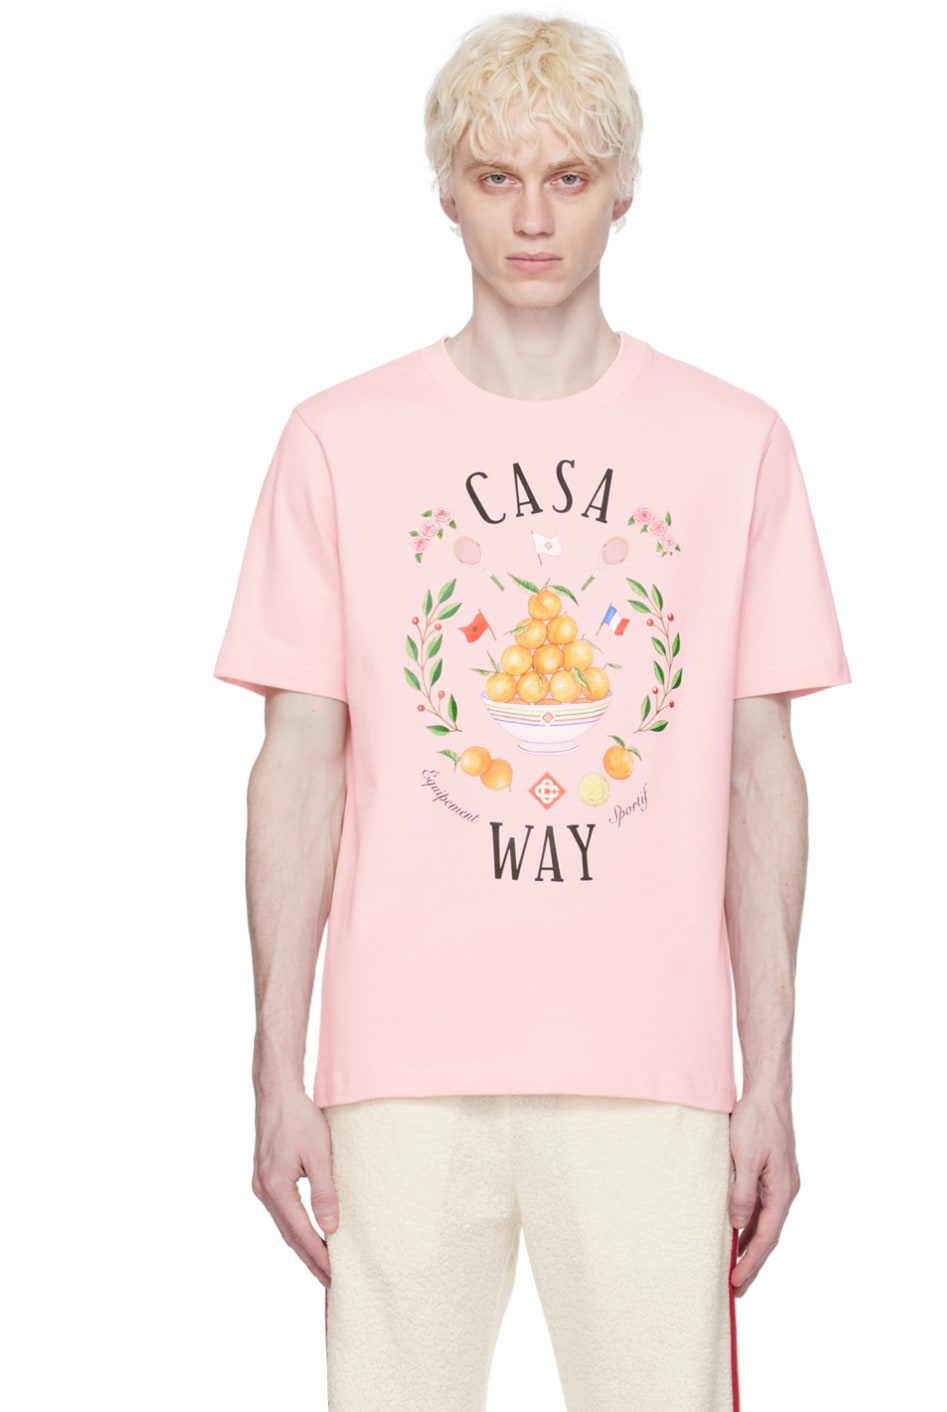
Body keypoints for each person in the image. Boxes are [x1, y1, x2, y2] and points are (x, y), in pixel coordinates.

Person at [212, 13, 851, 1411]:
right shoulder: (338, 440)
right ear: (446, 193)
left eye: (569, 176)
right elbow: (298, 768)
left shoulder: (734, 443)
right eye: (497, 177)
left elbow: (760, 776)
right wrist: (274, 1066)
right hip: (399, 1066)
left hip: (651, 1064)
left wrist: (772, 1080)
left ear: (624, 191)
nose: (534, 216)